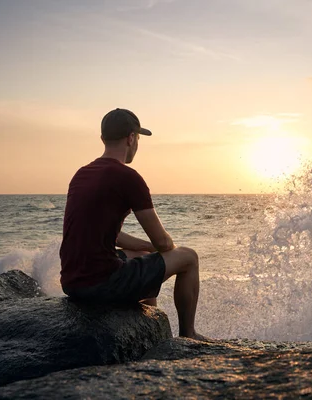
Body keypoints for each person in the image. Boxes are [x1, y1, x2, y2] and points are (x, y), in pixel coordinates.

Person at [59, 108, 205, 340]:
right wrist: (168, 251)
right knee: (189, 258)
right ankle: (189, 335)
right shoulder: (127, 177)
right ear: (131, 138)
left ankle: (152, 323)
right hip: (102, 284)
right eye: (137, 138)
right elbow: (163, 241)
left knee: (138, 254)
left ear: (103, 139)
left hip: (73, 283)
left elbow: (113, 235)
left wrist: (148, 249)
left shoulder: (82, 174)